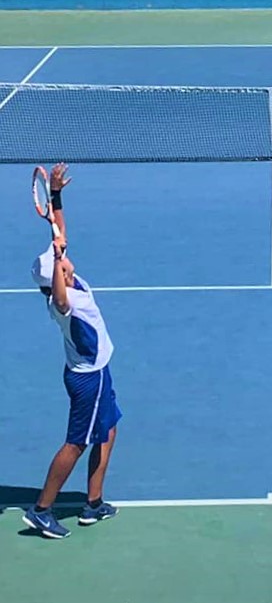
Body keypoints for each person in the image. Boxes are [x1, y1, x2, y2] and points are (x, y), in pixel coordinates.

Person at [23, 163, 122, 539]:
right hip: (88, 380)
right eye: (62, 261)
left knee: (109, 430)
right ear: (57, 278)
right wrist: (58, 254)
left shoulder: (68, 280)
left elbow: (60, 231)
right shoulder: (64, 303)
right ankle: (41, 510)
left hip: (99, 371)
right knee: (77, 442)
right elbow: (61, 298)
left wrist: (56, 196)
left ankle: (93, 504)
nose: (66, 256)